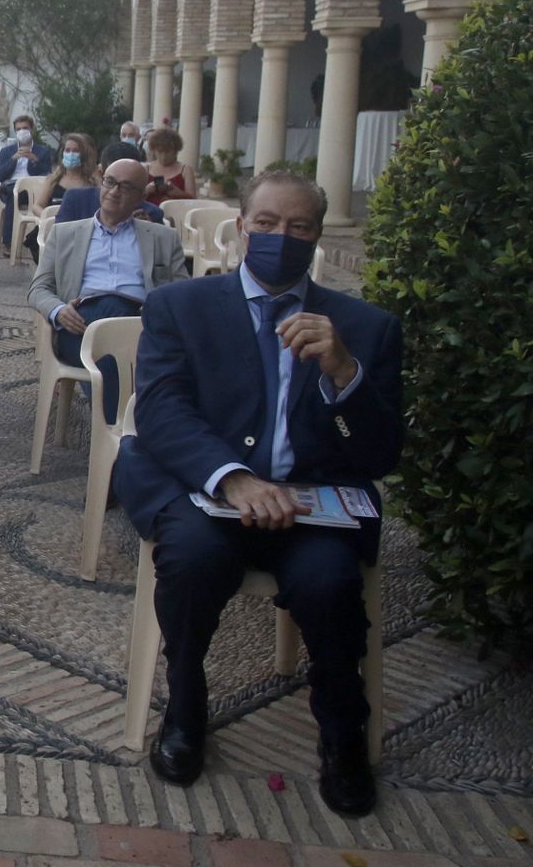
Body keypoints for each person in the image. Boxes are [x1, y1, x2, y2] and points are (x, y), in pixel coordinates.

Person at [113, 171, 402, 817]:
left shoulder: (366, 327)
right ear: (241, 227)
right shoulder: (181, 307)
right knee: (192, 561)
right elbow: (160, 411)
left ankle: (342, 730)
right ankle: (185, 703)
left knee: (331, 586)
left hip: (310, 506)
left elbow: (380, 455)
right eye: (267, 224)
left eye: (299, 227)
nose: (281, 238)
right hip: (210, 494)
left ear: (318, 236)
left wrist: (344, 374)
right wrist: (233, 478)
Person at [27, 158, 186, 376]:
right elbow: (38, 289)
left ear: (141, 196)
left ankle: (111, 397)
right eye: (109, 182)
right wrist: (59, 310)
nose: (114, 191)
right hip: (81, 324)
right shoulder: (64, 234)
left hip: (139, 323)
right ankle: (129, 395)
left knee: (120, 341)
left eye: (126, 187)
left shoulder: (163, 238)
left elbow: (182, 292)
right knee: (114, 319)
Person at [25, 133, 100, 263]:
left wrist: (98, 177)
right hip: (56, 228)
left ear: (83, 154)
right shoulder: (54, 179)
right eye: (67, 150)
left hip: (83, 230)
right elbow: (37, 206)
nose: (71, 154)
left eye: (75, 151)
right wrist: (50, 218)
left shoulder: (92, 181)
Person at [0, 114, 56, 253]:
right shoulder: (7, 151)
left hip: (35, 189)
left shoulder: (42, 151)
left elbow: (47, 174)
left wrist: (34, 159)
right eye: (18, 129)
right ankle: (9, 242)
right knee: (14, 195)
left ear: (31, 129)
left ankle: (43, 237)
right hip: (13, 187)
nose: (22, 131)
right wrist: (13, 159)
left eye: (25, 128)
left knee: (48, 197)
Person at [145, 127, 197, 203]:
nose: (164, 157)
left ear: (176, 151)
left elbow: (193, 201)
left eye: (168, 152)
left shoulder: (185, 169)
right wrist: (147, 190)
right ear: (154, 150)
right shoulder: (147, 168)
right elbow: (135, 199)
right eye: (159, 152)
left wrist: (175, 191)